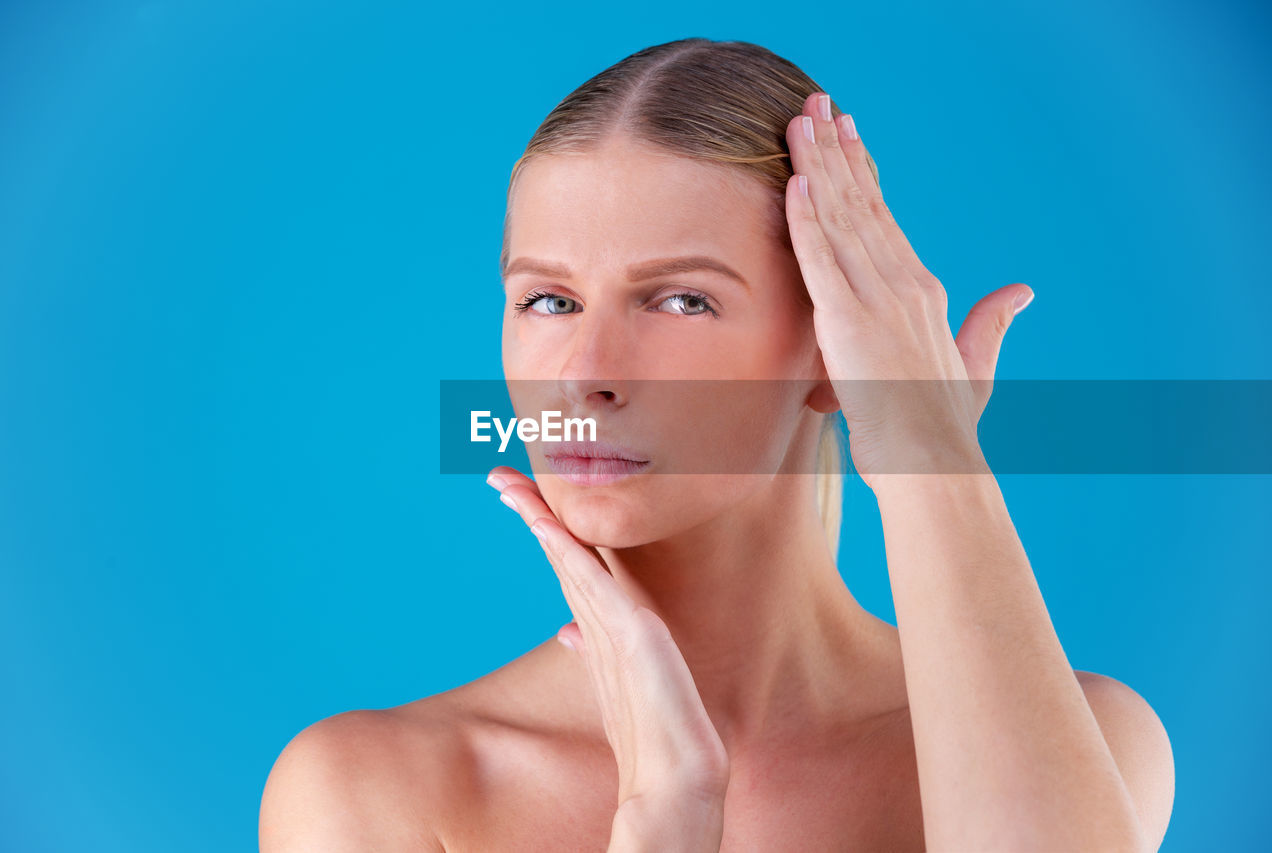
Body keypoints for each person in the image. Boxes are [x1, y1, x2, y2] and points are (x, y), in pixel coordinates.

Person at [259, 38, 1174, 851]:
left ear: (832, 352)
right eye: (549, 300)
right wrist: (664, 818)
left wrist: (928, 451)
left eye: (680, 300)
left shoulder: (1083, 741)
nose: (587, 373)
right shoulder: (373, 792)